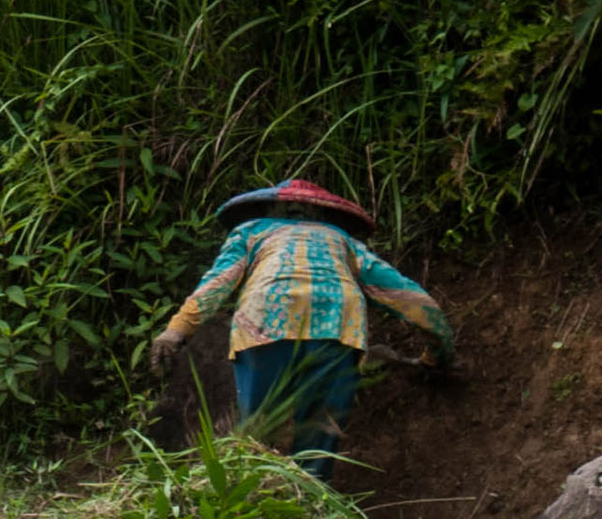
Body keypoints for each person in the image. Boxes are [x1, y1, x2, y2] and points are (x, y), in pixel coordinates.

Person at [144, 176, 453, 470]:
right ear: (324, 214)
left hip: (266, 322)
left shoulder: (252, 231)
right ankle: (313, 505)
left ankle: (254, 504)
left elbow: (216, 285)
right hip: (337, 327)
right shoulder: (342, 240)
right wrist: (439, 352)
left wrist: (175, 331)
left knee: (256, 434)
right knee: (319, 439)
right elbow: (409, 297)